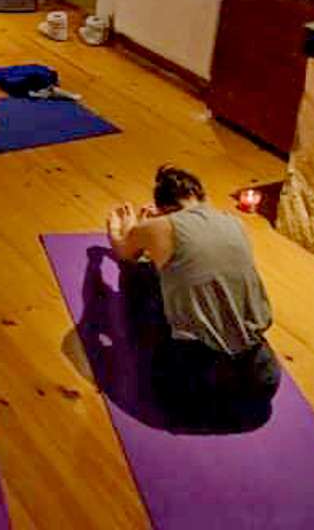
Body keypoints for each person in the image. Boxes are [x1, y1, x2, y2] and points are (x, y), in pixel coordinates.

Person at [105, 165, 280, 429]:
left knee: (138, 270)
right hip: (261, 381)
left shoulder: (157, 226)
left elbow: (123, 251)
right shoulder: (235, 223)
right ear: (202, 197)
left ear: (163, 207)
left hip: (193, 386)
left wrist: (127, 230)